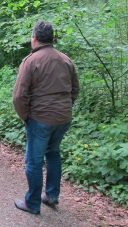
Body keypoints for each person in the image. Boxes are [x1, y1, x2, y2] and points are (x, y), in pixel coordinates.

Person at [13, 20, 80, 215]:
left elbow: (19, 95)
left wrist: (25, 115)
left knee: (34, 161)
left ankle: (32, 203)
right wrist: (64, 106)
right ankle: (51, 195)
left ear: (34, 37)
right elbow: (75, 89)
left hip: (40, 117)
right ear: (52, 38)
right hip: (63, 117)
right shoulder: (66, 59)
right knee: (53, 154)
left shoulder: (31, 61)